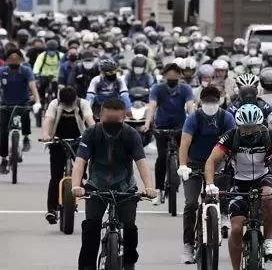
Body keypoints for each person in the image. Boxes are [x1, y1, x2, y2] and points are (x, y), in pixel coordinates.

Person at [205, 104, 272, 268]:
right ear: (238, 125)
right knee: (235, 229)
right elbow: (211, 160)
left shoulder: (270, 136)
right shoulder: (230, 137)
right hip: (239, 183)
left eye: (253, 127)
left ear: (260, 124)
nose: (249, 131)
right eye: (245, 128)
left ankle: (269, 240)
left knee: (269, 195)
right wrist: (210, 184)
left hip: (263, 178)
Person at [71, 98, 157, 270]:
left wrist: (149, 187)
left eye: (116, 122)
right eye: (107, 122)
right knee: (91, 227)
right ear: (100, 117)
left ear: (124, 118)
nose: (111, 126)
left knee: (130, 227)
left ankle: (129, 262)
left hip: (125, 187)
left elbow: (141, 163)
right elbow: (80, 162)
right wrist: (76, 186)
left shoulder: (131, 134)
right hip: (97, 186)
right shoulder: (91, 133)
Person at [177, 86, 235, 264]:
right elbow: (184, 145)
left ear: (220, 101)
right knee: (191, 204)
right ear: (201, 102)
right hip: (194, 164)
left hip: (218, 162)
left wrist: (231, 161)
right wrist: (183, 165)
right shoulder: (193, 118)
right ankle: (188, 245)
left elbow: (232, 141)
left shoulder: (226, 117)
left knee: (225, 183)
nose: (211, 105)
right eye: (207, 101)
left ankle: (223, 212)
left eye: (214, 101)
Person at [40, 86, 95, 224]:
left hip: (79, 140)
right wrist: (46, 134)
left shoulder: (83, 103)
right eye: (66, 104)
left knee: (81, 168)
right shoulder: (55, 103)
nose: (68, 107)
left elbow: (90, 120)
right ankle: (51, 209)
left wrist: (96, 133)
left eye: (70, 104)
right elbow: (48, 119)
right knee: (56, 176)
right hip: (58, 140)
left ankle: (81, 181)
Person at [144, 63, 196, 201]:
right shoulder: (157, 88)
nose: (172, 78)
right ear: (164, 76)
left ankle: (184, 185)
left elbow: (190, 107)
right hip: (161, 127)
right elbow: (152, 106)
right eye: (169, 75)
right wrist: (147, 123)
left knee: (183, 156)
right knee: (161, 158)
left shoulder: (186, 89)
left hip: (181, 127)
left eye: (175, 75)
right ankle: (159, 189)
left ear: (180, 75)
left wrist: (193, 123)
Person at [0, 48, 42, 170]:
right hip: (5, 104)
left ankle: (26, 137)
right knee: (2, 132)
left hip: (22, 102)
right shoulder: (2, 71)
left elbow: (32, 86)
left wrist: (38, 101)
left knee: (25, 117)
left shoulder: (26, 71)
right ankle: (4, 158)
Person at [34, 39, 63, 106]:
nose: (51, 52)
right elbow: (37, 65)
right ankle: (41, 99)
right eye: (50, 50)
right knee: (41, 86)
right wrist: (36, 73)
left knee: (57, 88)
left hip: (56, 76)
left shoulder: (61, 56)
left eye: (53, 50)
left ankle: (57, 100)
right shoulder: (42, 56)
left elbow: (63, 66)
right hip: (44, 75)